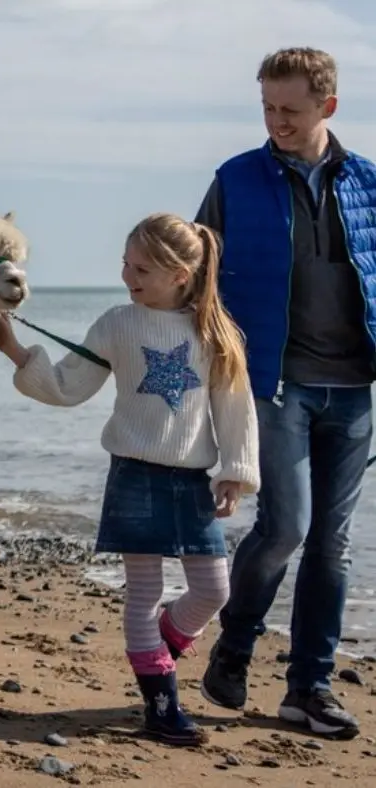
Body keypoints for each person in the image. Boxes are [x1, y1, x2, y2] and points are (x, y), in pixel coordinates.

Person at [0, 212, 259, 745]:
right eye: (125, 263)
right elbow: (69, 385)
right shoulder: (118, 323)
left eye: (140, 269)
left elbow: (235, 405)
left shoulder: (214, 331)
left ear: (180, 275)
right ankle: (161, 705)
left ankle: (154, 651)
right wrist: (16, 351)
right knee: (144, 592)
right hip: (134, 476)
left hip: (192, 480)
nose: (126, 276)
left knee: (213, 589)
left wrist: (236, 471)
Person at [195, 47, 376, 740]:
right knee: (287, 527)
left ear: (328, 106)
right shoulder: (236, 179)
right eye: (268, 107)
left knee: (333, 544)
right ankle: (235, 646)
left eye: (291, 110)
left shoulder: (367, 183)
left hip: (352, 389)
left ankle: (309, 689)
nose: (276, 121)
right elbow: (194, 274)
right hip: (274, 383)